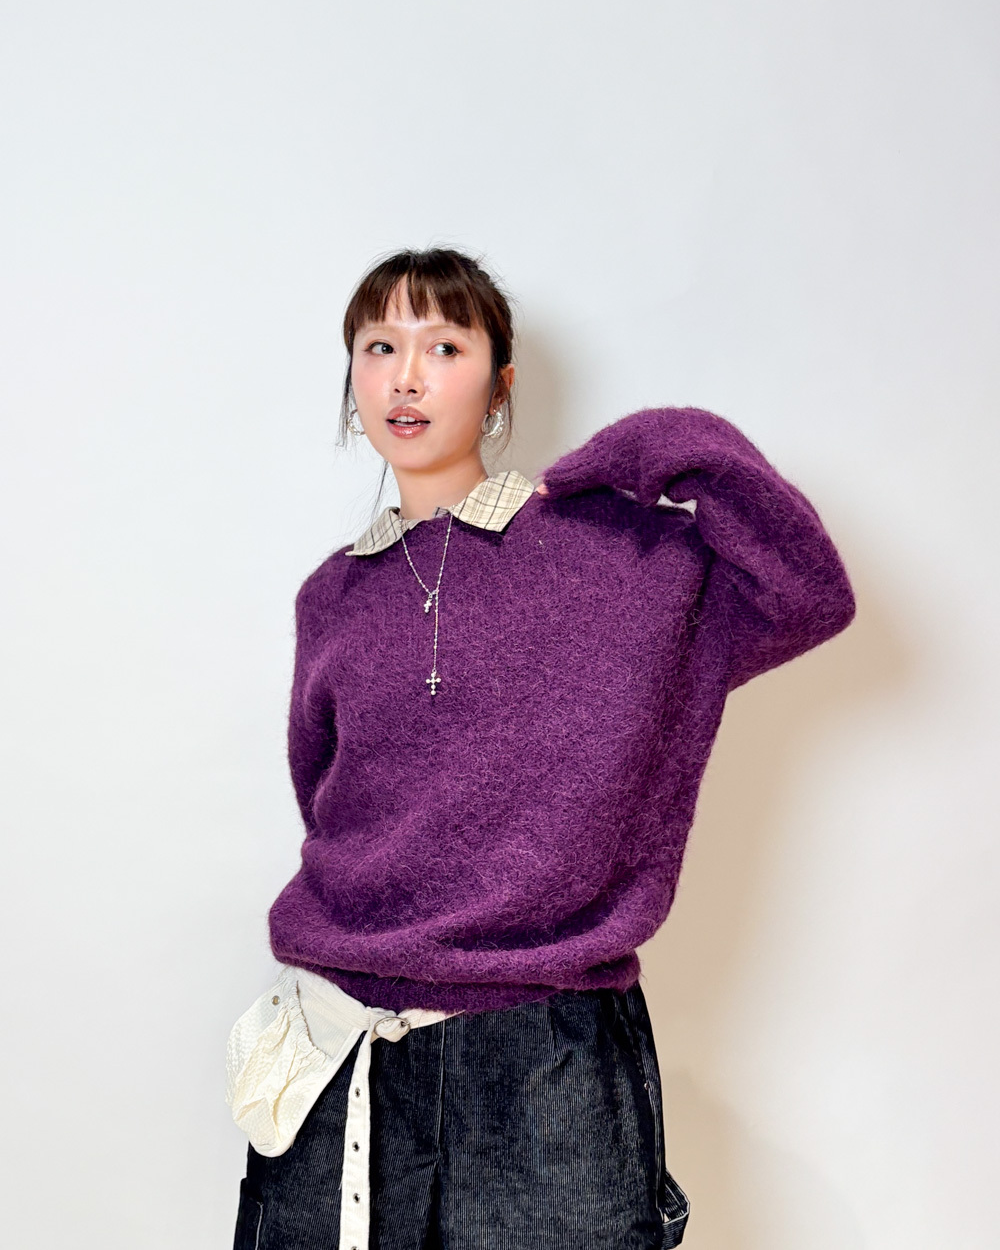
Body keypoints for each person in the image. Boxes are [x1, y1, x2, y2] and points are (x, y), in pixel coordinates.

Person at [227, 246, 857, 1250]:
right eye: (379, 347)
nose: (406, 375)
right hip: (336, 1047)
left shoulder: (613, 554)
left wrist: (665, 445)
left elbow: (806, 592)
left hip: (540, 1058)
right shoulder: (331, 595)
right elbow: (331, 804)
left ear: (499, 383)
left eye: (445, 346)